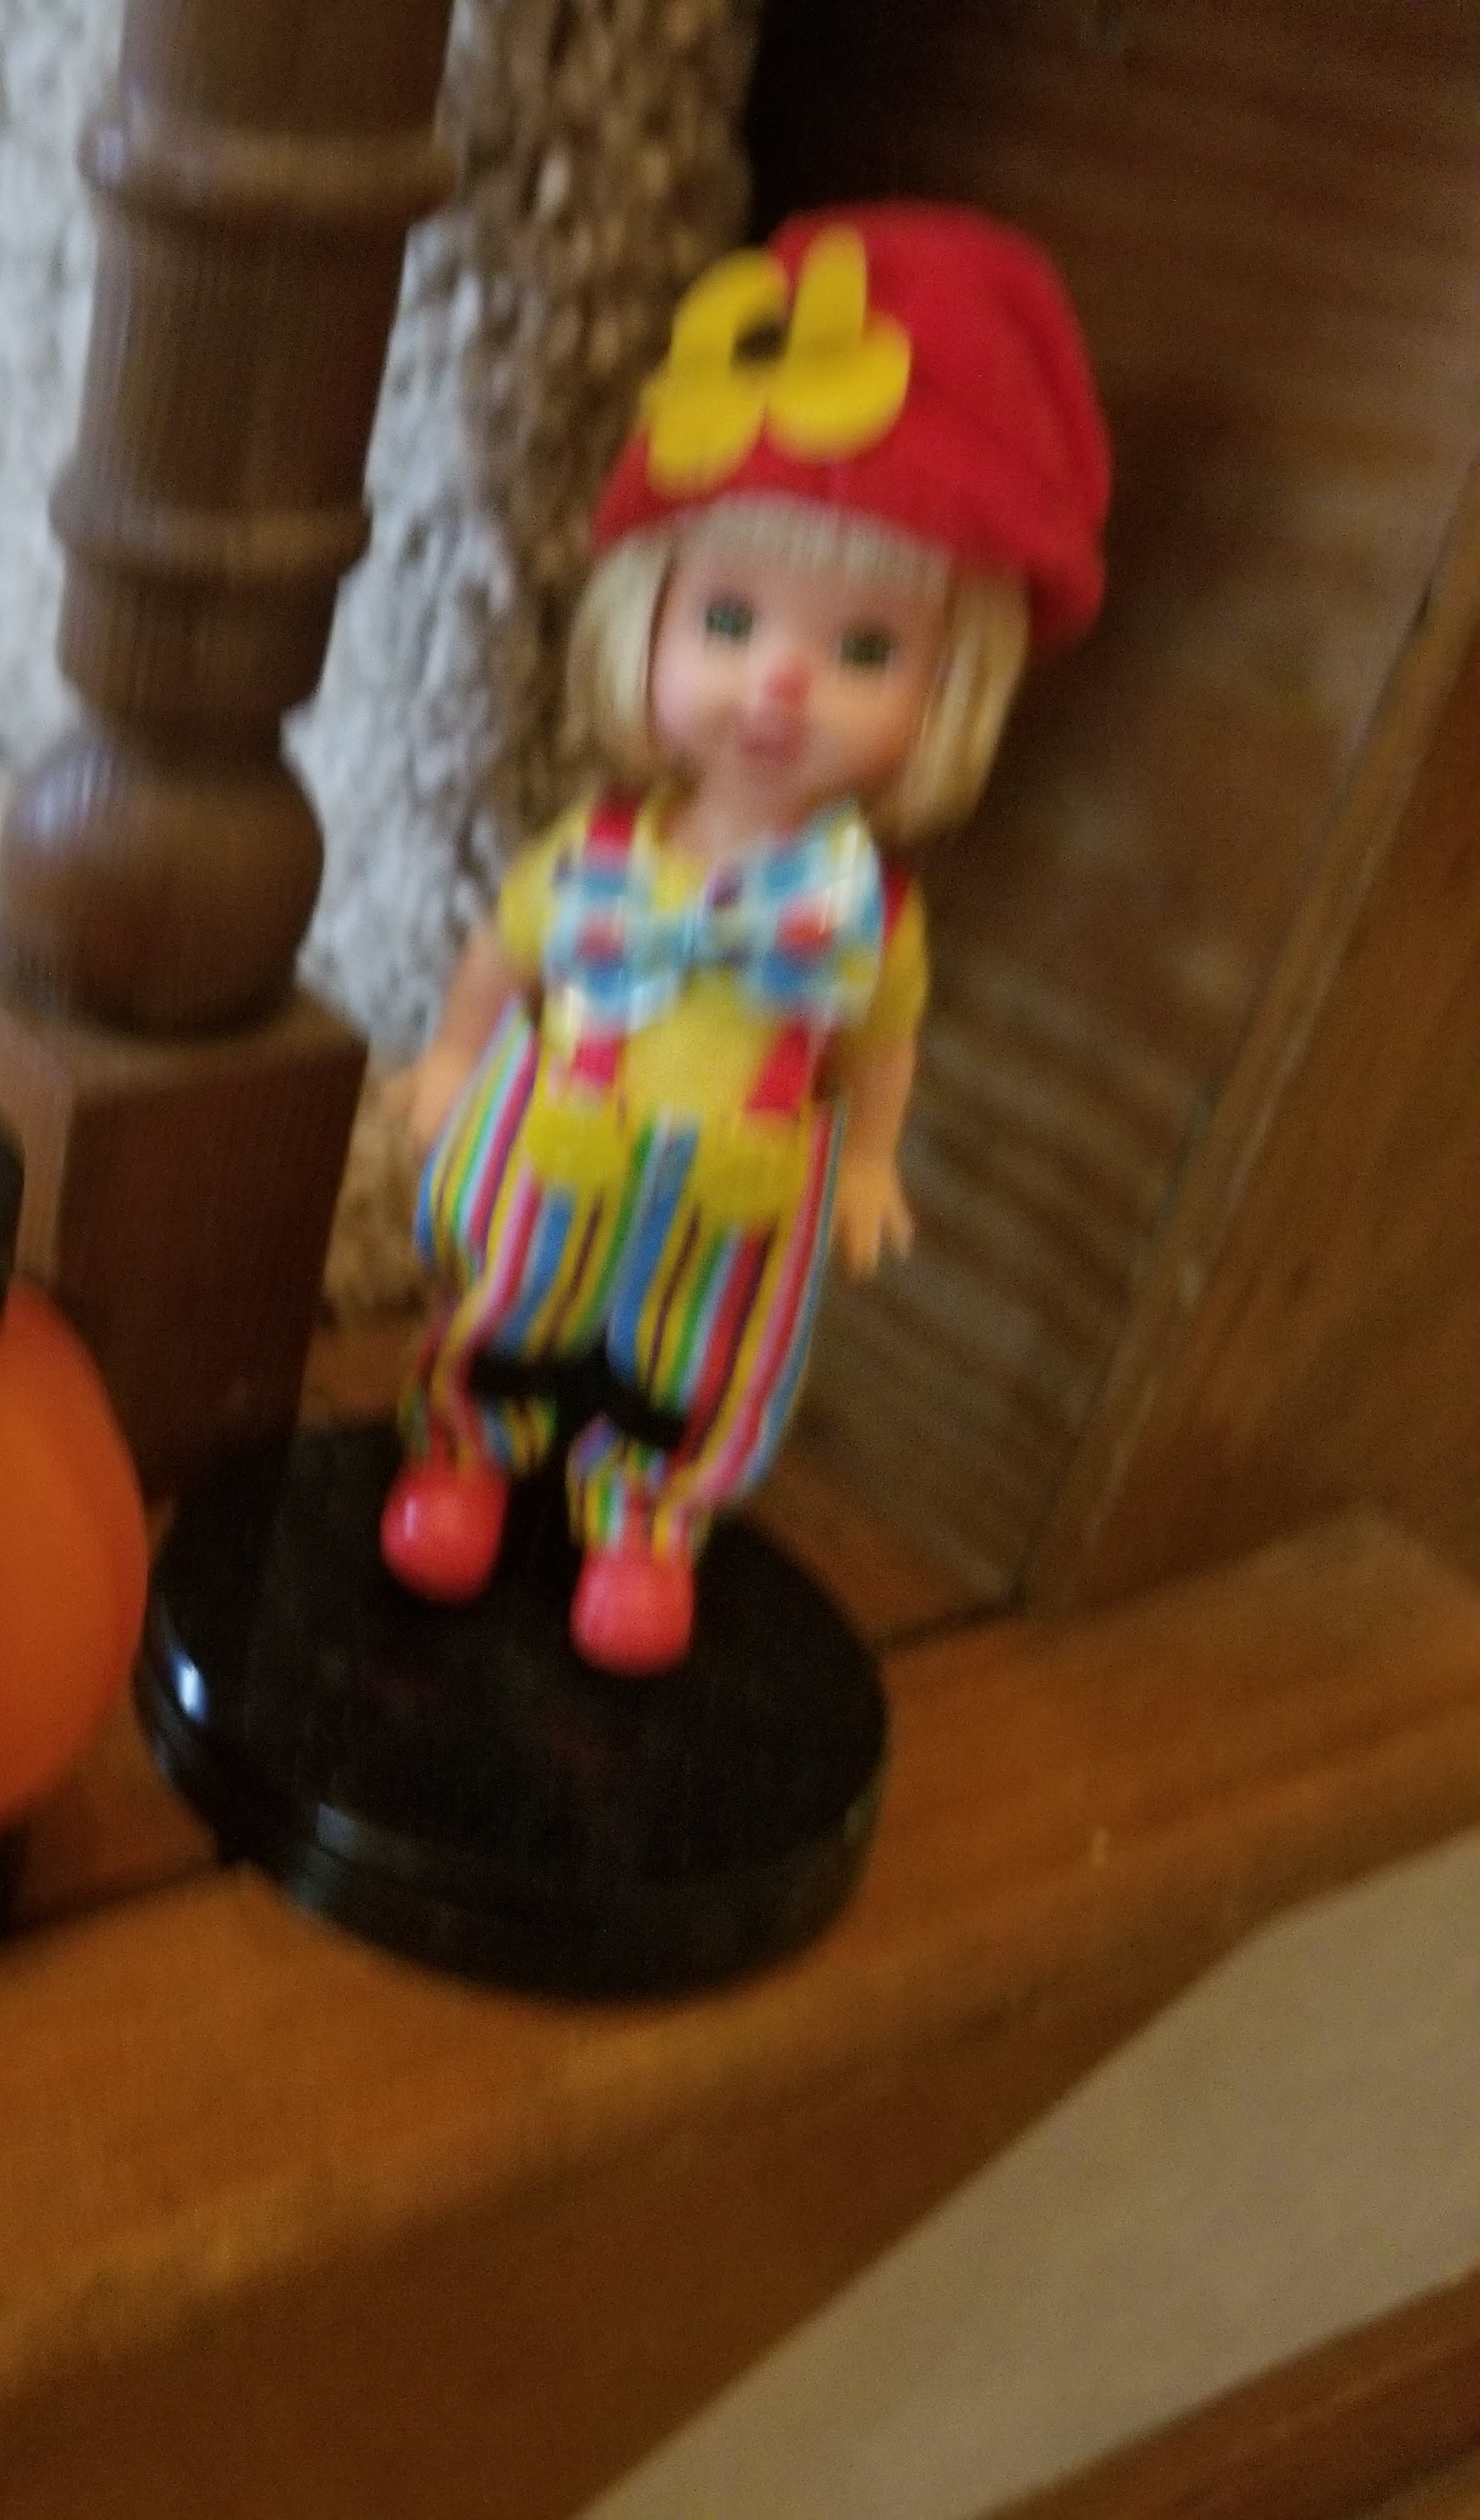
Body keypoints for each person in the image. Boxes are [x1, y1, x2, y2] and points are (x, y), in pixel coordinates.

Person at [382, 203, 1110, 1675]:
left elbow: (880, 1039)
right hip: (560, 1154)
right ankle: (465, 1452)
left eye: (863, 651)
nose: (781, 684)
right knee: (507, 1309)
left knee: (693, 1365)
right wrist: (453, 1057)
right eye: (728, 620)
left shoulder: (857, 914)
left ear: (948, 690)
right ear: (644, 620)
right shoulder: (596, 858)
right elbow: (506, 953)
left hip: (737, 1198)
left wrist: (876, 1159)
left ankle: (645, 1518)